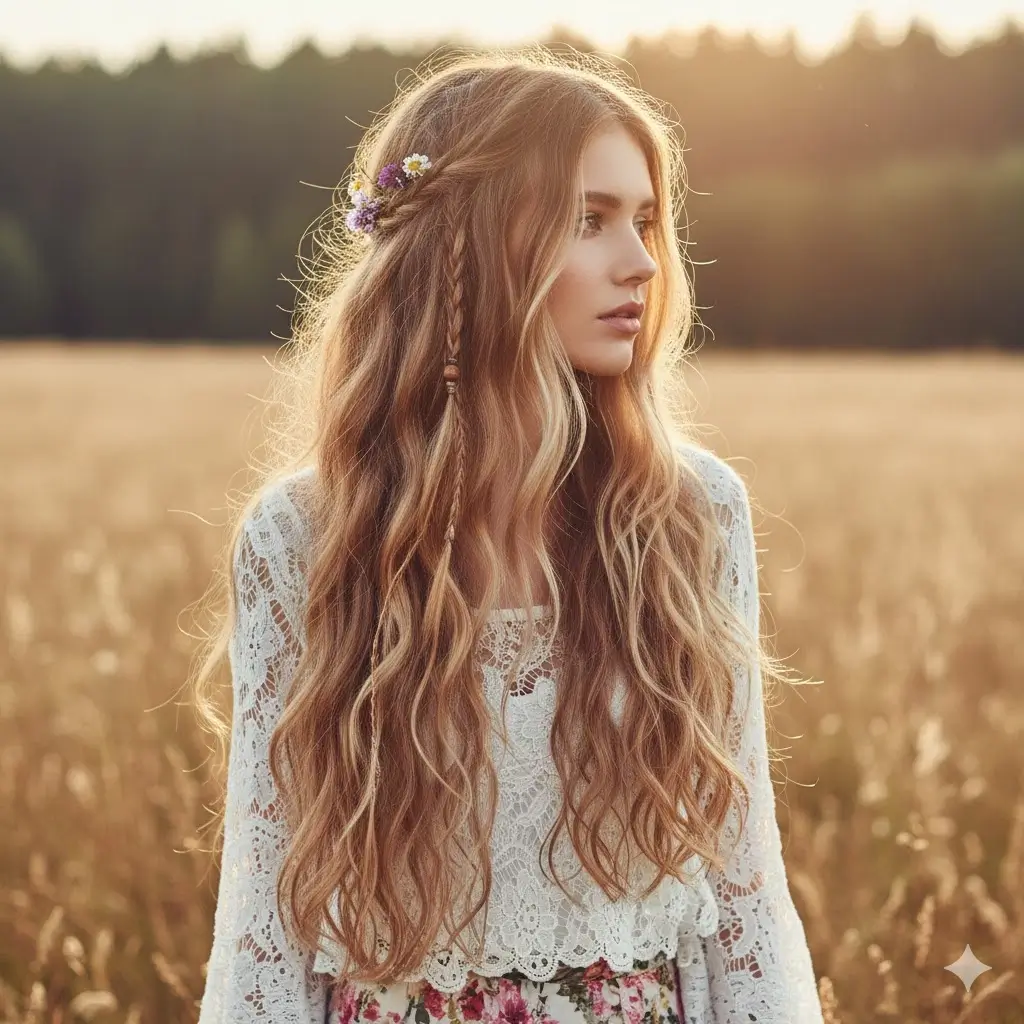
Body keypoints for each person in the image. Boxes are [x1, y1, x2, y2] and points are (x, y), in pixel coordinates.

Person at [189, 46, 824, 1024]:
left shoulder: (688, 515)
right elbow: (264, 926)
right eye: (589, 220)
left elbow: (741, 895)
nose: (643, 263)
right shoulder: (304, 538)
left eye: (647, 221)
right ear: (471, 246)